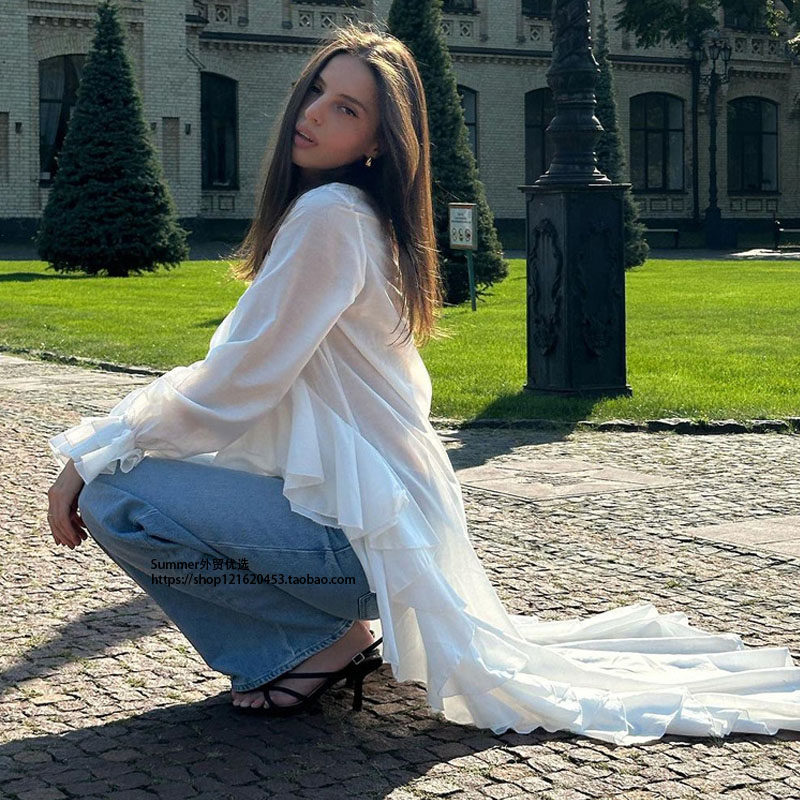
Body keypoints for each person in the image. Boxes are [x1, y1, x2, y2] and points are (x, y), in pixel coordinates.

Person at [47, 23, 800, 742]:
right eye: (317, 91)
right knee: (134, 481)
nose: (315, 113)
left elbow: (232, 386)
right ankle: (325, 638)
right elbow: (249, 383)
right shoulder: (351, 215)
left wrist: (95, 451)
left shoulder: (330, 217)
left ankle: (314, 646)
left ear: (378, 142)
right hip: (390, 534)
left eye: (347, 109)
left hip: (368, 545)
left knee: (118, 497)